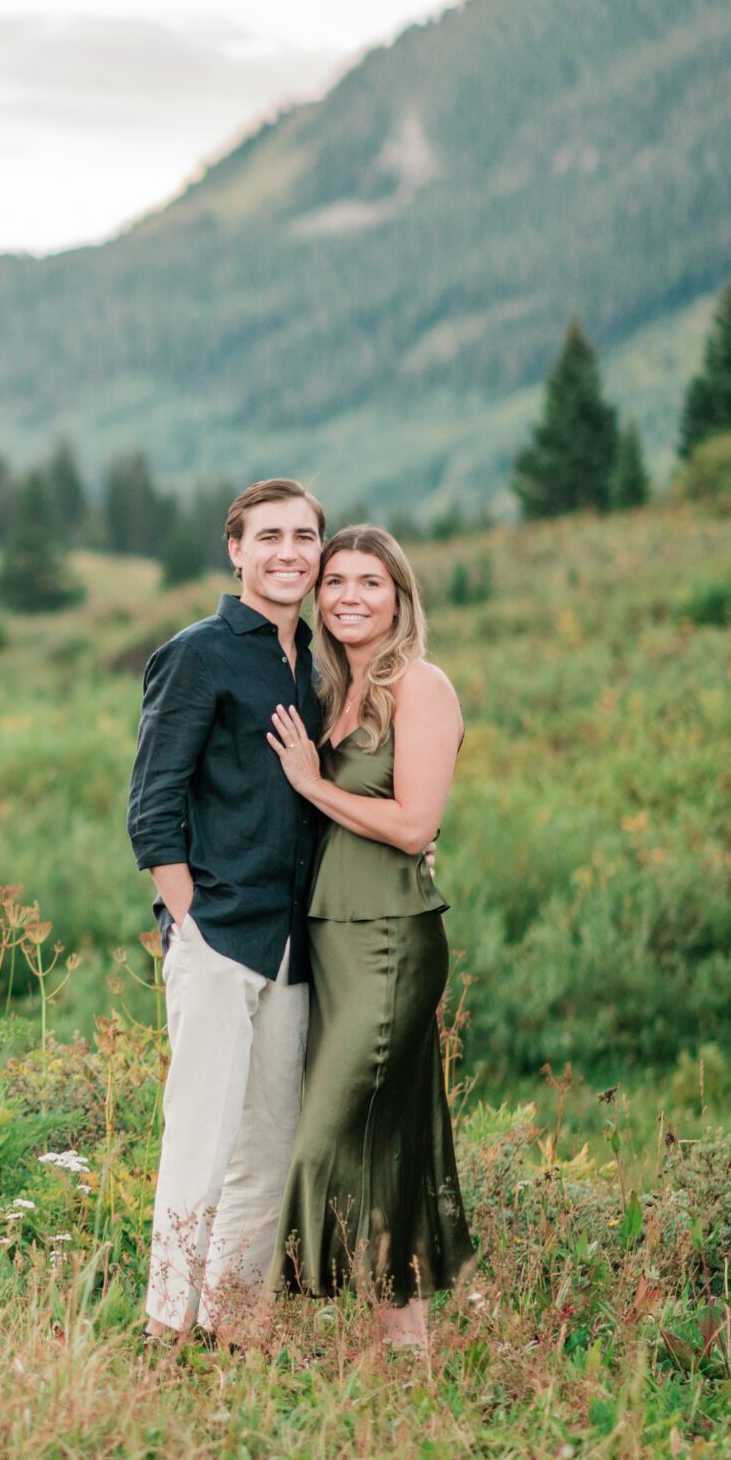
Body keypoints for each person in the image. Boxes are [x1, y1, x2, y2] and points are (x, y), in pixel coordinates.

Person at [267, 525, 475, 1353]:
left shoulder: (420, 687)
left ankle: (259, 1321)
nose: (349, 596)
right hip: (328, 935)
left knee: (323, 1137)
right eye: (336, 582)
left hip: (389, 937)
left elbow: (415, 821)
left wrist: (316, 786)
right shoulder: (327, 692)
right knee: (389, 1140)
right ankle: (405, 1348)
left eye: (370, 582)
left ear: (400, 598)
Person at [126, 478, 325, 1340]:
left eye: (306, 536)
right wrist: (191, 921)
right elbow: (152, 806)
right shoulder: (198, 652)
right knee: (199, 1143)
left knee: (266, 1152)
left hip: (292, 947)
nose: (290, 551)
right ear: (236, 549)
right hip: (219, 937)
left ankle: (233, 1330)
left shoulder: (313, 661)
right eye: (270, 535)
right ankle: (166, 1327)